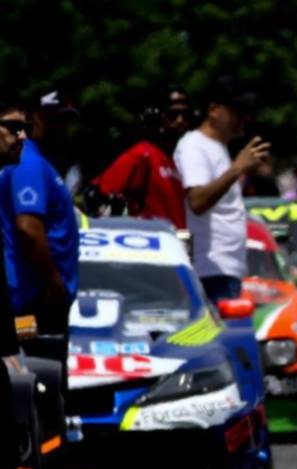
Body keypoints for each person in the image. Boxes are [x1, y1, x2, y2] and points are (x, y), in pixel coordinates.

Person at [0, 103, 84, 469]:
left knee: (12, 459)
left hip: (12, 328)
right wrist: (52, 287)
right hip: (24, 316)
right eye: (12, 127)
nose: (22, 135)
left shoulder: (21, 168)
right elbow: (29, 230)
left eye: (23, 128)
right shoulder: (28, 168)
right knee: (22, 445)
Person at [174, 76, 269, 303]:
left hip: (224, 270)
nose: (245, 118)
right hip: (209, 270)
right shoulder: (194, 145)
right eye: (238, 111)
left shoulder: (217, 148)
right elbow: (197, 201)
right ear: (214, 110)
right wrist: (237, 168)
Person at [0, 99, 77, 337]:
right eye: (53, 120)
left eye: (65, 121)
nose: (61, 128)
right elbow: (28, 228)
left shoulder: (37, 161)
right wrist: (54, 283)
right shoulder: (29, 162)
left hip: (32, 296)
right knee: (34, 356)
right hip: (33, 298)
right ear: (35, 119)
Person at [88, 89, 190, 228]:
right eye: (173, 114)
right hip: (151, 238)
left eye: (186, 115)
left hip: (176, 239)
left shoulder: (177, 161)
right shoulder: (142, 153)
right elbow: (96, 195)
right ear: (157, 116)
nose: (180, 120)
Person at [28, 90, 80, 193]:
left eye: (67, 120)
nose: (63, 126)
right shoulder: (22, 157)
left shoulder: (57, 156)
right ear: (35, 118)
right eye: (55, 119)